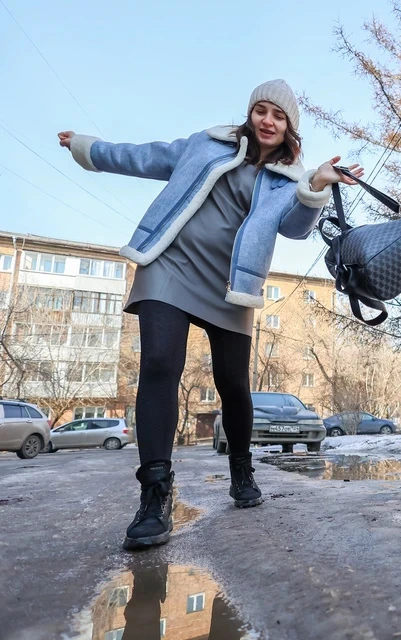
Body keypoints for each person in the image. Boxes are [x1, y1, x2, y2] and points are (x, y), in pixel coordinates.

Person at [58, 79, 363, 550]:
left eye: (278, 116)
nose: (268, 120)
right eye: (262, 110)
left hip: (231, 285)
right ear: (250, 114)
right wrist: (89, 148)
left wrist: (316, 186)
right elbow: (146, 156)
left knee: (234, 385)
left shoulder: (288, 178)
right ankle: (155, 494)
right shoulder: (205, 144)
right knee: (160, 364)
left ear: (289, 128)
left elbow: (297, 229)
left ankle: (241, 470)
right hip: (170, 263)